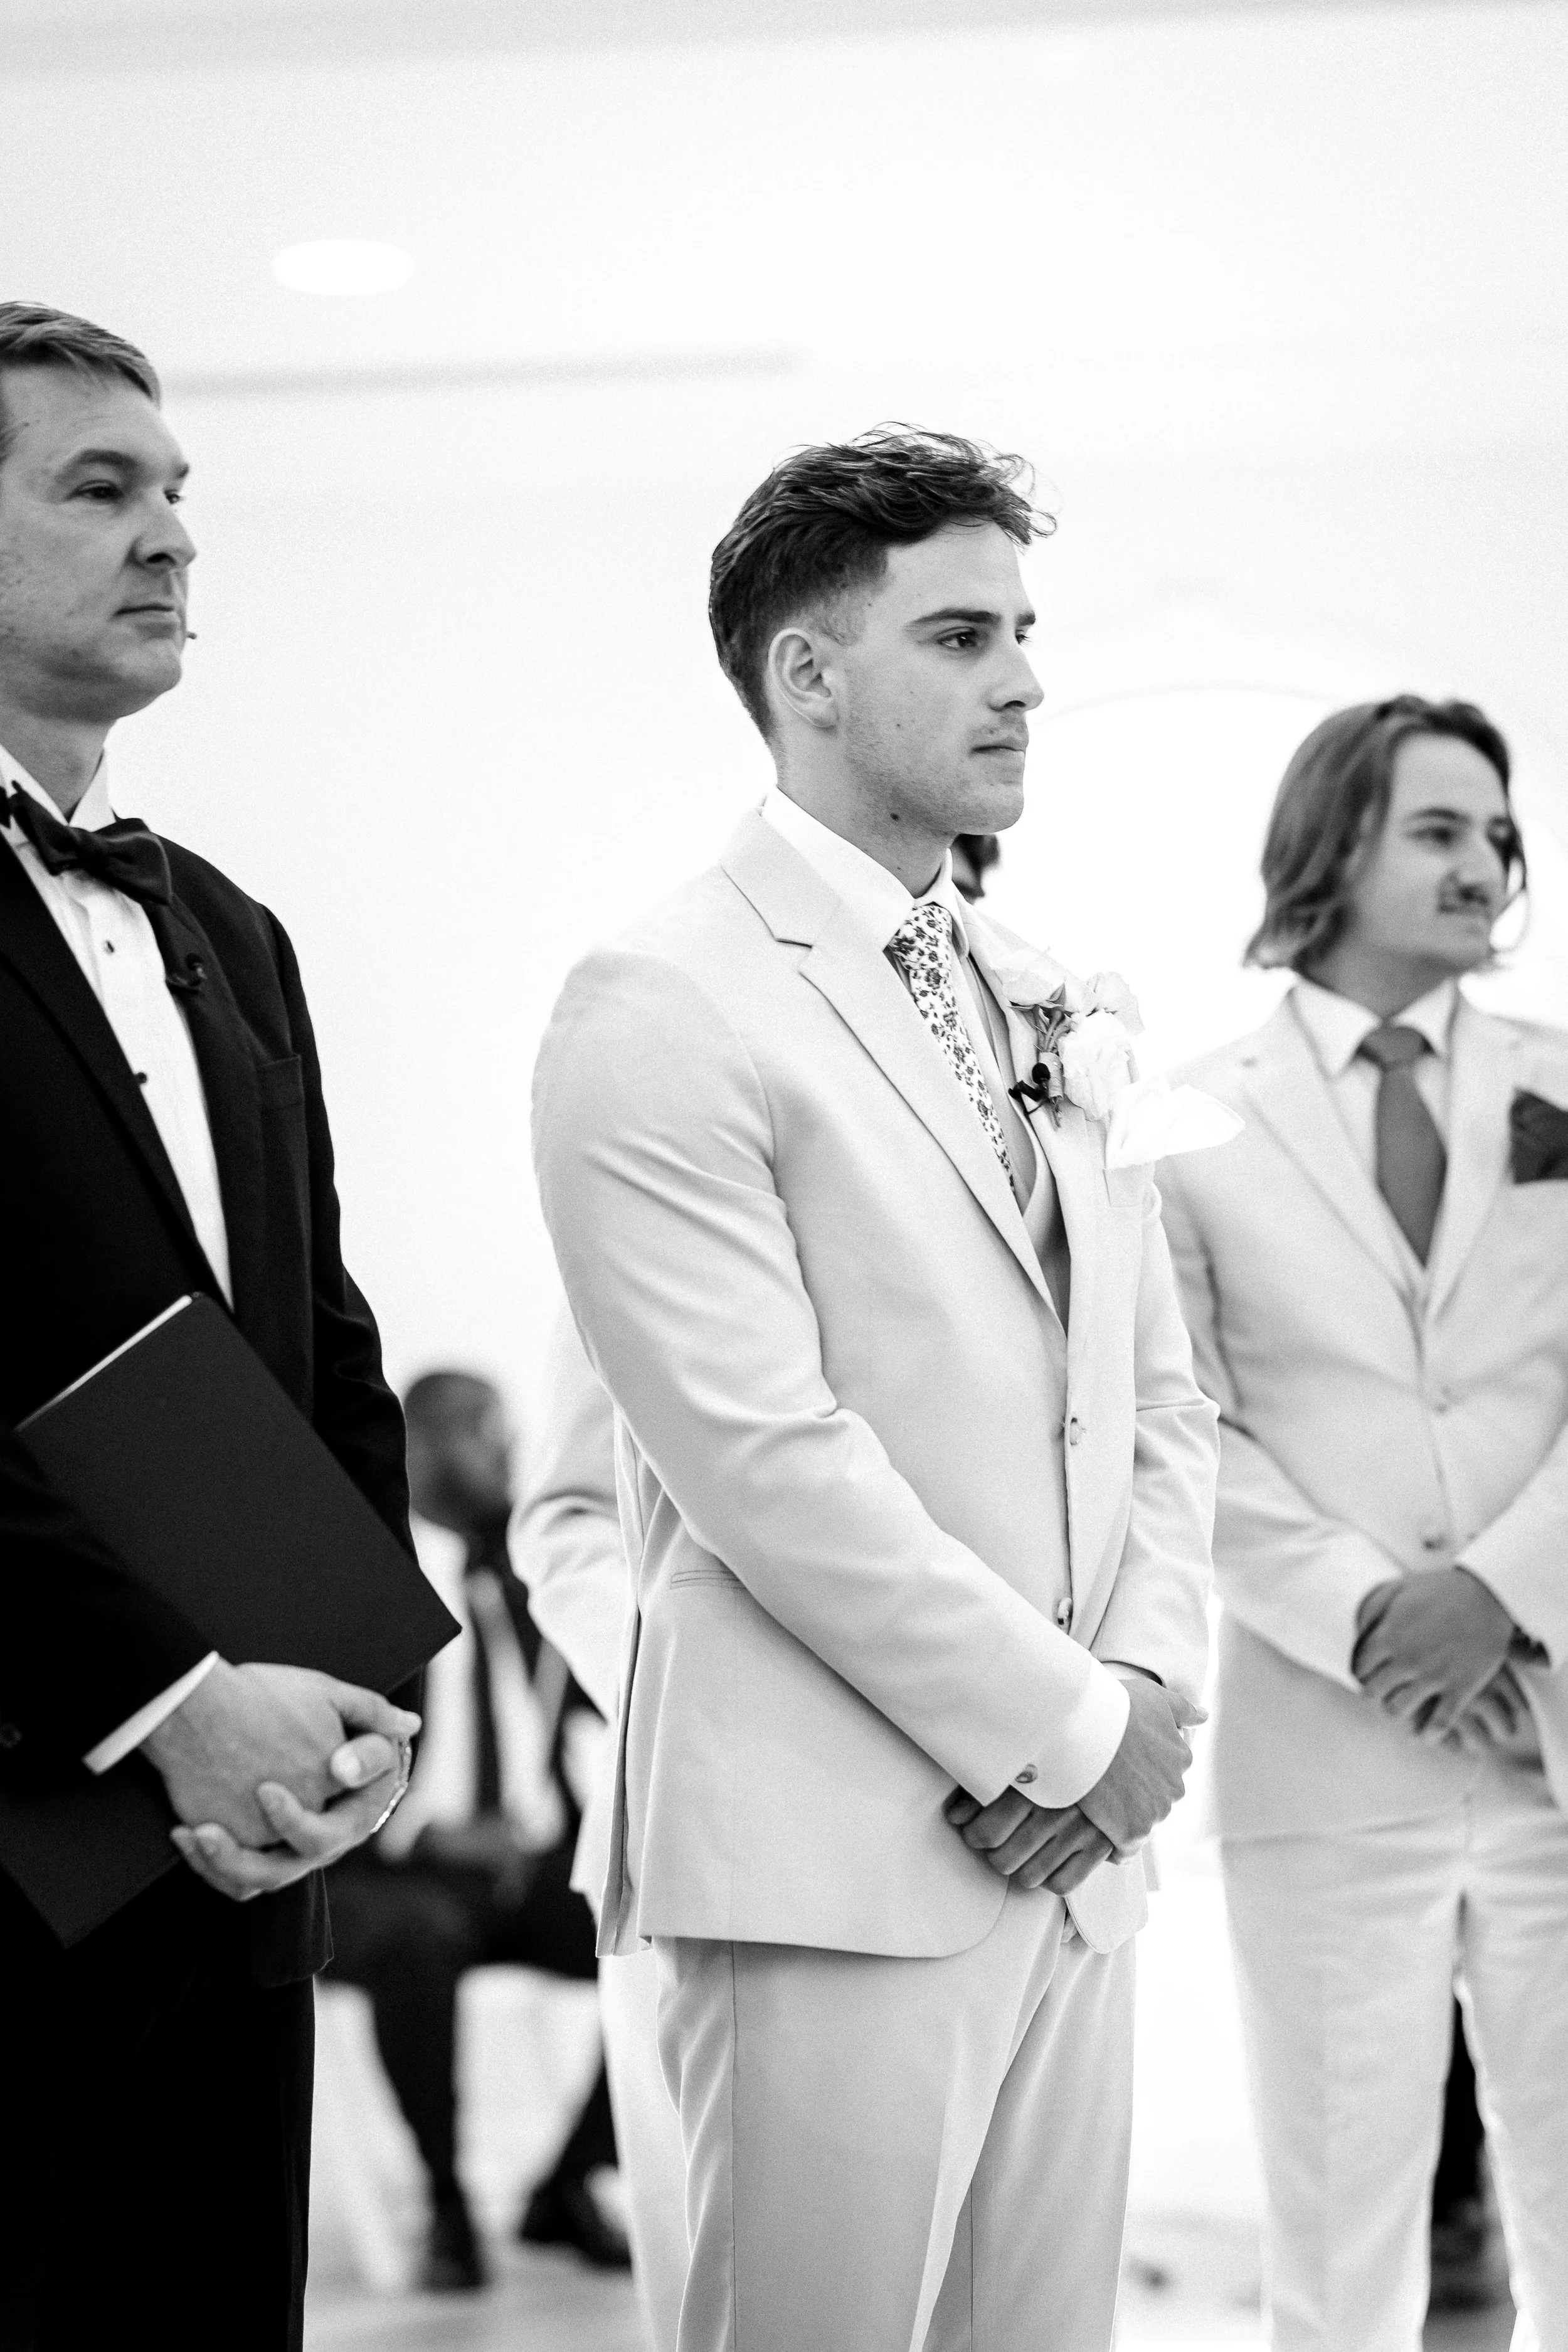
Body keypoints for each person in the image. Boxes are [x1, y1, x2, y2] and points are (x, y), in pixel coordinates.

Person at [531, 426, 1217, 2352]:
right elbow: (760, 1460)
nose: (1021, 679)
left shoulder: (1050, 990)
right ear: (805, 674)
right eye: (960, 633)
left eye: (1024, 633)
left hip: (1076, 1858)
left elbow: (1150, 1395)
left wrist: (1140, 1698)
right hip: (833, 1853)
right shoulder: (661, 996)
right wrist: (1062, 1725)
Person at [0, 302, 420, 2352]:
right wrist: (164, 1700)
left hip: (244, 1865)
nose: (172, 535)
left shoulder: (225, 930)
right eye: (101, 488)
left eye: (181, 495)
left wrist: (355, 1690)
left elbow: (322, 1342)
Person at [1158, 696, 1568, 2350]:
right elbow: (1175, 1423)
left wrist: (1501, 1587)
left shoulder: (1564, 1086)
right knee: (1336, 2253)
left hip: (1549, 1732)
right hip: (1321, 1747)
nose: (1484, 861)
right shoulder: (1185, 1115)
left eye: (1494, 830)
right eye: (1438, 828)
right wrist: (1363, 1612)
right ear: (1330, 843)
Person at [326, 1370, 631, 2292]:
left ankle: (569, 2179)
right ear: (418, 1447)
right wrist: (426, 1836)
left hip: (521, 1870)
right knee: (418, 1939)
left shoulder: (530, 1570)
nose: (508, 1452)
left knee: (666, 1928)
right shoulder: (365, 1574)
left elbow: (605, 1699)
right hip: (388, 1869)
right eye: (483, 1433)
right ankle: (446, 2206)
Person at [514, 1301, 692, 2352]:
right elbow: (566, 1518)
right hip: (697, 1813)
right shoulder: (642, 1164)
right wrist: (689, 1692)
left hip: (1029, 1824)